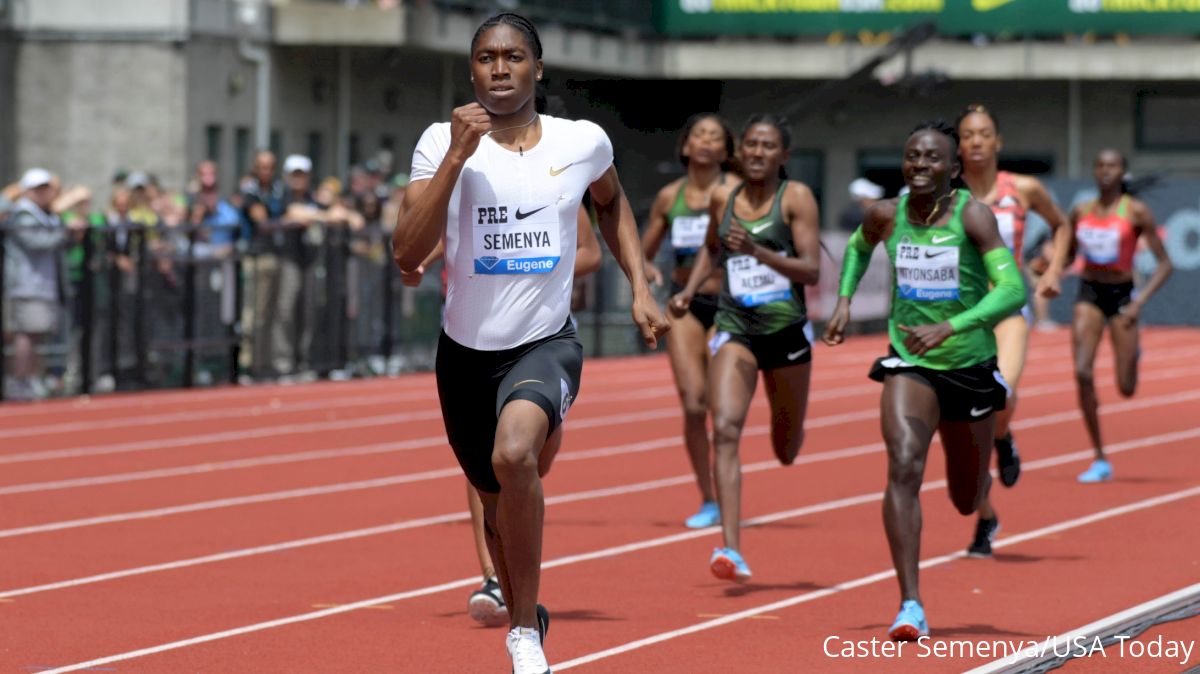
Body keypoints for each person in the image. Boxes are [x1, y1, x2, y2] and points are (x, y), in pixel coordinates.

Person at [391, 13, 667, 674]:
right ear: (471, 70)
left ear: (537, 68)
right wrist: (459, 156)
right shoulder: (438, 142)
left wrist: (638, 285)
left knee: (516, 455)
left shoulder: (581, 141)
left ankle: (522, 634)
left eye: (513, 56)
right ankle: (524, 608)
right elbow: (407, 249)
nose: (499, 68)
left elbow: (611, 201)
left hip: (544, 343)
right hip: (463, 354)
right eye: (486, 57)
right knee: (493, 507)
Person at [824, 120, 1025, 640]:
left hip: (970, 367)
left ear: (954, 170)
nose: (919, 165)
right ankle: (910, 604)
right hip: (910, 361)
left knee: (965, 495)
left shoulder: (974, 217)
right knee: (905, 463)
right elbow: (856, 248)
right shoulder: (886, 215)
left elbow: (1012, 290)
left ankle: (990, 472)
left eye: (933, 158)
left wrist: (951, 326)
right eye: (912, 155)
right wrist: (844, 299)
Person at [671, 113, 821, 582]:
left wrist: (758, 253)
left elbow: (811, 270)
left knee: (786, 447)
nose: (757, 152)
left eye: (768, 146)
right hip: (735, 327)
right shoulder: (724, 197)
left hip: (787, 334)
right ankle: (731, 548)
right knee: (727, 428)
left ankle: (791, 432)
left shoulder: (795, 198)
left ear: (783, 156)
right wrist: (689, 290)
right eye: (752, 144)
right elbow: (712, 249)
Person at [956, 104, 1072, 557]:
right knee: (963, 430)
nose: (977, 141)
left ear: (998, 142)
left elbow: (1062, 226)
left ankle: (1003, 435)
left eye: (985, 133)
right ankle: (986, 516)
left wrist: (1053, 271)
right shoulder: (948, 195)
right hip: (959, 319)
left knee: (995, 395)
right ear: (958, 144)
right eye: (968, 135)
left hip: (1006, 311)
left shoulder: (1023, 189)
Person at [640, 113, 739, 529]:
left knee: (722, 409)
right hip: (684, 305)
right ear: (685, 146)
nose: (705, 142)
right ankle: (708, 497)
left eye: (715, 137)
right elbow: (640, 251)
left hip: (731, 303)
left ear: (725, 150)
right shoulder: (669, 197)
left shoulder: (736, 191)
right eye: (698, 134)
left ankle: (728, 481)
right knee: (694, 404)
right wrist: (648, 270)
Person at [1070, 149, 1172, 483]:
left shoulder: (1136, 211)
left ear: (1123, 173)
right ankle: (1099, 457)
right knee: (1083, 372)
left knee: (1126, 387)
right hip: (1089, 293)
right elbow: (1068, 253)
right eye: (1099, 165)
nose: (1104, 171)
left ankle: (1133, 354)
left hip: (1123, 297)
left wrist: (1139, 302)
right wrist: (1049, 268)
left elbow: (1165, 264)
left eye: (1112, 166)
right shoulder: (1081, 210)